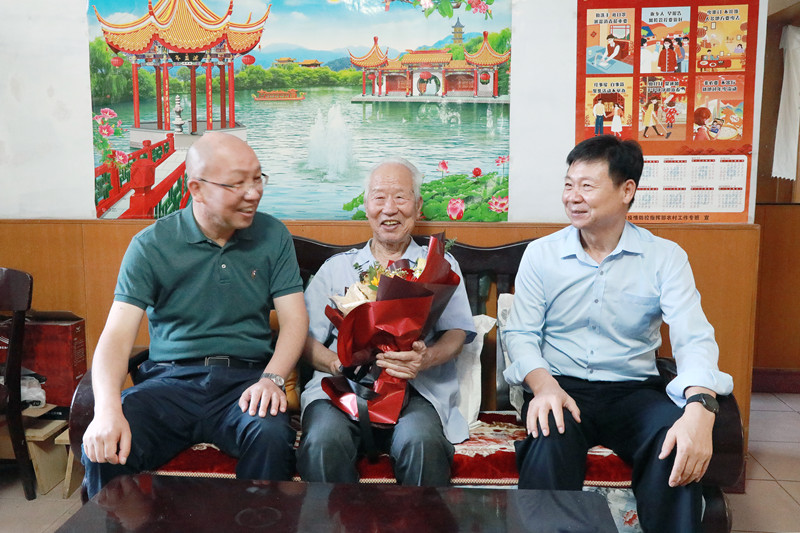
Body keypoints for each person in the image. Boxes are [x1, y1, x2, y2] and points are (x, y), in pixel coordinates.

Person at [502, 135, 733, 533]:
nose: (573, 197)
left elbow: (693, 337)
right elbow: (521, 333)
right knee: (548, 437)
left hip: (634, 393)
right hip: (561, 387)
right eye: (569, 184)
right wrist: (543, 387)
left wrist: (699, 406)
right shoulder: (542, 255)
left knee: (673, 439)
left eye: (587, 186)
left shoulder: (665, 257)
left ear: (627, 191)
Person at [81, 132, 309, 498]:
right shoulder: (151, 245)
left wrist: (272, 378)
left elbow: (295, 320)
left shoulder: (272, 235)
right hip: (169, 383)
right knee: (107, 443)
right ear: (196, 189)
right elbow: (117, 336)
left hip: (245, 382)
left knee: (270, 433)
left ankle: (256, 522)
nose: (253, 193)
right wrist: (107, 409)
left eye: (257, 179)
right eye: (237, 184)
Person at [297, 157, 476, 486]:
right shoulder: (337, 268)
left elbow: (457, 333)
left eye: (401, 197)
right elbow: (303, 339)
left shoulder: (440, 265)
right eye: (379, 197)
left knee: (421, 443)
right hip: (340, 388)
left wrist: (425, 358)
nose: (389, 208)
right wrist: (338, 363)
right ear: (367, 206)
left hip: (416, 390)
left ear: (418, 207)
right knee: (322, 441)